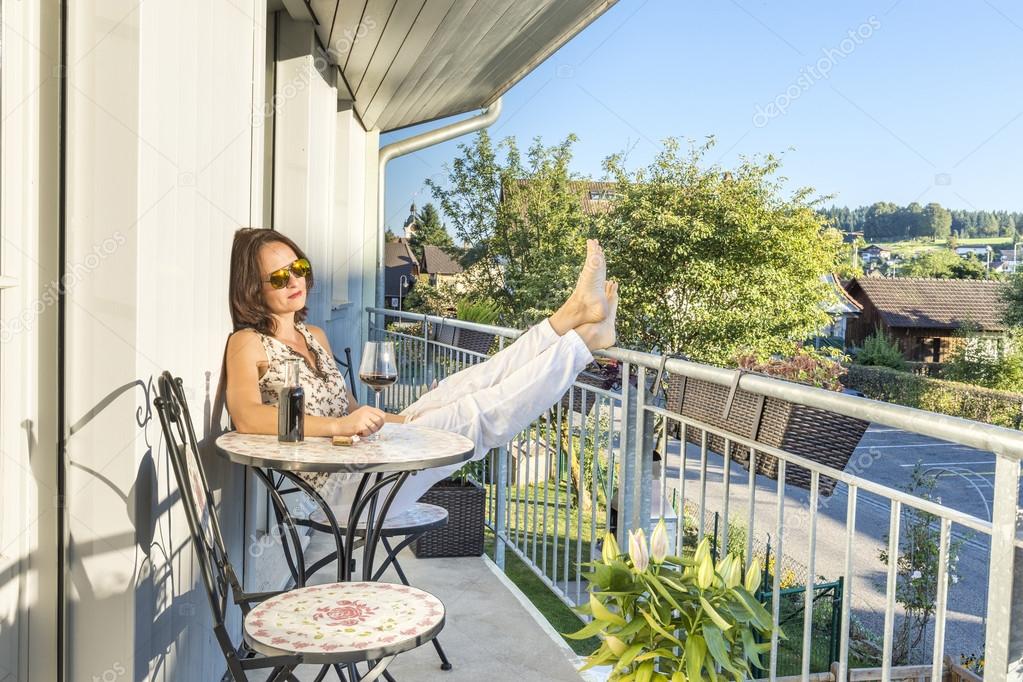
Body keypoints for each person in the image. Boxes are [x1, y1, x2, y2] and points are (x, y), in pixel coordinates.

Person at [224, 227, 618, 517]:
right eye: (279, 277)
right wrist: (341, 429)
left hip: (366, 460)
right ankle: (583, 343)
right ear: (253, 289)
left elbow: (348, 411)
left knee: (469, 384)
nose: (295, 281)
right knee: (475, 416)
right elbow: (246, 417)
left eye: (299, 268)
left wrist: (411, 419)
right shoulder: (248, 343)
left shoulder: (314, 337)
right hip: (343, 492)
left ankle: (573, 317)